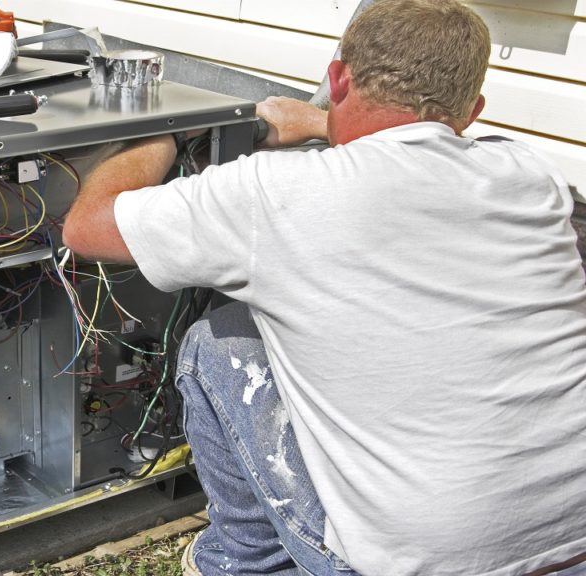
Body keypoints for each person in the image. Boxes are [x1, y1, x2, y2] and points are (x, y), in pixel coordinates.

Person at [61, 0, 586, 574]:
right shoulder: (530, 175)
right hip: (572, 534)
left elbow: (86, 230)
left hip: (419, 562)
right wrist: (318, 122)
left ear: (337, 78)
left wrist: (158, 133)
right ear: (472, 108)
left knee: (218, 343)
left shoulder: (277, 193)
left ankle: (245, 562)